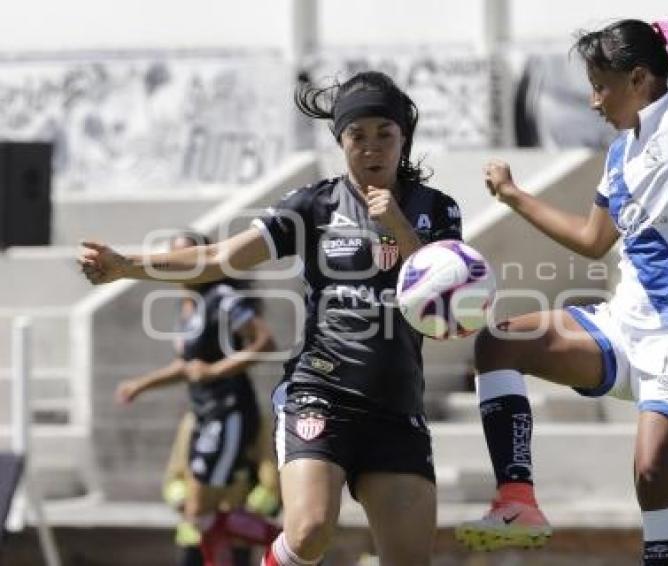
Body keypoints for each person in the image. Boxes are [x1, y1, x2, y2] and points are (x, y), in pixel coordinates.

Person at [80, 70, 463, 566]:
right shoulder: (314, 205)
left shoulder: (438, 210)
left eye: (383, 135)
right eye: (357, 136)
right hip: (321, 395)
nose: (371, 149)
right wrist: (129, 265)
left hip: (396, 406)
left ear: (403, 137)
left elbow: (448, 299)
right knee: (308, 533)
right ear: (340, 142)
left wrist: (398, 227)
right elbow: (222, 257)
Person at [454, 19, 668, 565]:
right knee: (498, 344)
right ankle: (516, 501)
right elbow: (591, 240)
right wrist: (513, 196)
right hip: (624, 325)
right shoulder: (619, 154)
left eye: (599, 84)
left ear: (637, 79)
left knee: (652, 474)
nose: (591, 100)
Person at [113, 231, 279, 566]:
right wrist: (142, 384)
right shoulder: (188, 305)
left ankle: (290, 545)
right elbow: (188, 366)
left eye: (189, 258)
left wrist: (216, 371)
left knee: (199, 509)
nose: (181, 266)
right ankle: (286, 544)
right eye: (176, 259)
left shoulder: (224, 298)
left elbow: (265, 343)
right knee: (201, 516)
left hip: (228, 413)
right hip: (205, 414)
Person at [162, 411, 281, 565]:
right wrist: (185, 503)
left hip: (235, 539)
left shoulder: (253, 419)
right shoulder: (194, 418)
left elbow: (271, 483)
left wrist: (240, 518)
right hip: (194, 536)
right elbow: (174, 477)